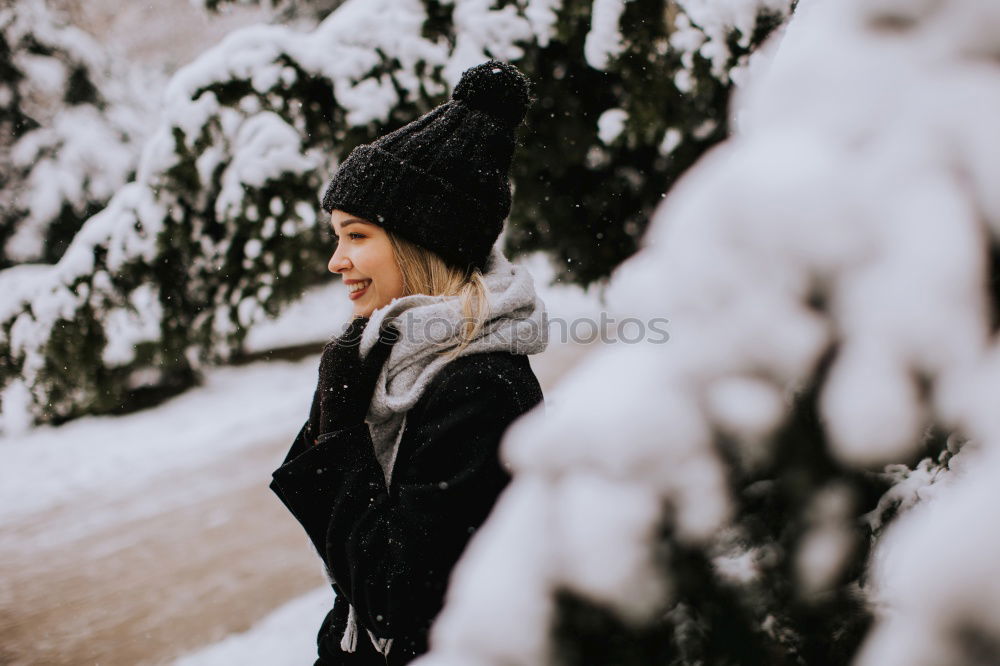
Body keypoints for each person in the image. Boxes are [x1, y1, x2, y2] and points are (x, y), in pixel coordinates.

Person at [269, 60, 548, 665]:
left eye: (356, 236)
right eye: (336, 237)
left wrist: (338, 428)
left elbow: (397, 596)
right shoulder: (392, 359)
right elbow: (353, 578)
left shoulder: (479, 386)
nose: (335, 261)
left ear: (422, 240)